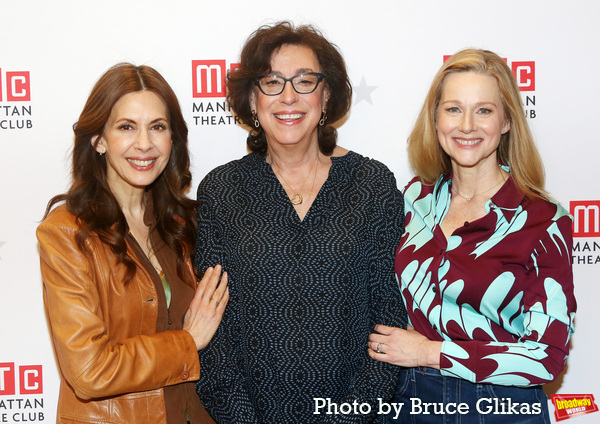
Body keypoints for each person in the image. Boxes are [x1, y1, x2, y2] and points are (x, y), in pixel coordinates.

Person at [194, 22, 406, 423]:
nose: (288, 96)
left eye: (305, 81)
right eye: (271, 82)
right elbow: (211, 332)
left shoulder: (371, 184)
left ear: (326, 96)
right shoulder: (222, 190)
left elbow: (389, 321)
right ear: (253, 100)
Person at [368, 49, 576, 423]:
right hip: (412, 401)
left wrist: (430, 353)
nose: (466, 125)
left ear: (507, 121)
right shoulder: (415, 198)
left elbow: (549, 357)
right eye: (452, 109)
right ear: (435, 119)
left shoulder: (542, 220)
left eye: (483, 110)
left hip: (503, 407)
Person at [37, 63, 229, 424]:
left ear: (172, 139)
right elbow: (89, 370)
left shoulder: (180, 223)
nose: (144, 144)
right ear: (99, 139)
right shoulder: (66, 232)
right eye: (127, 127)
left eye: (158, 127)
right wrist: (187, 342)